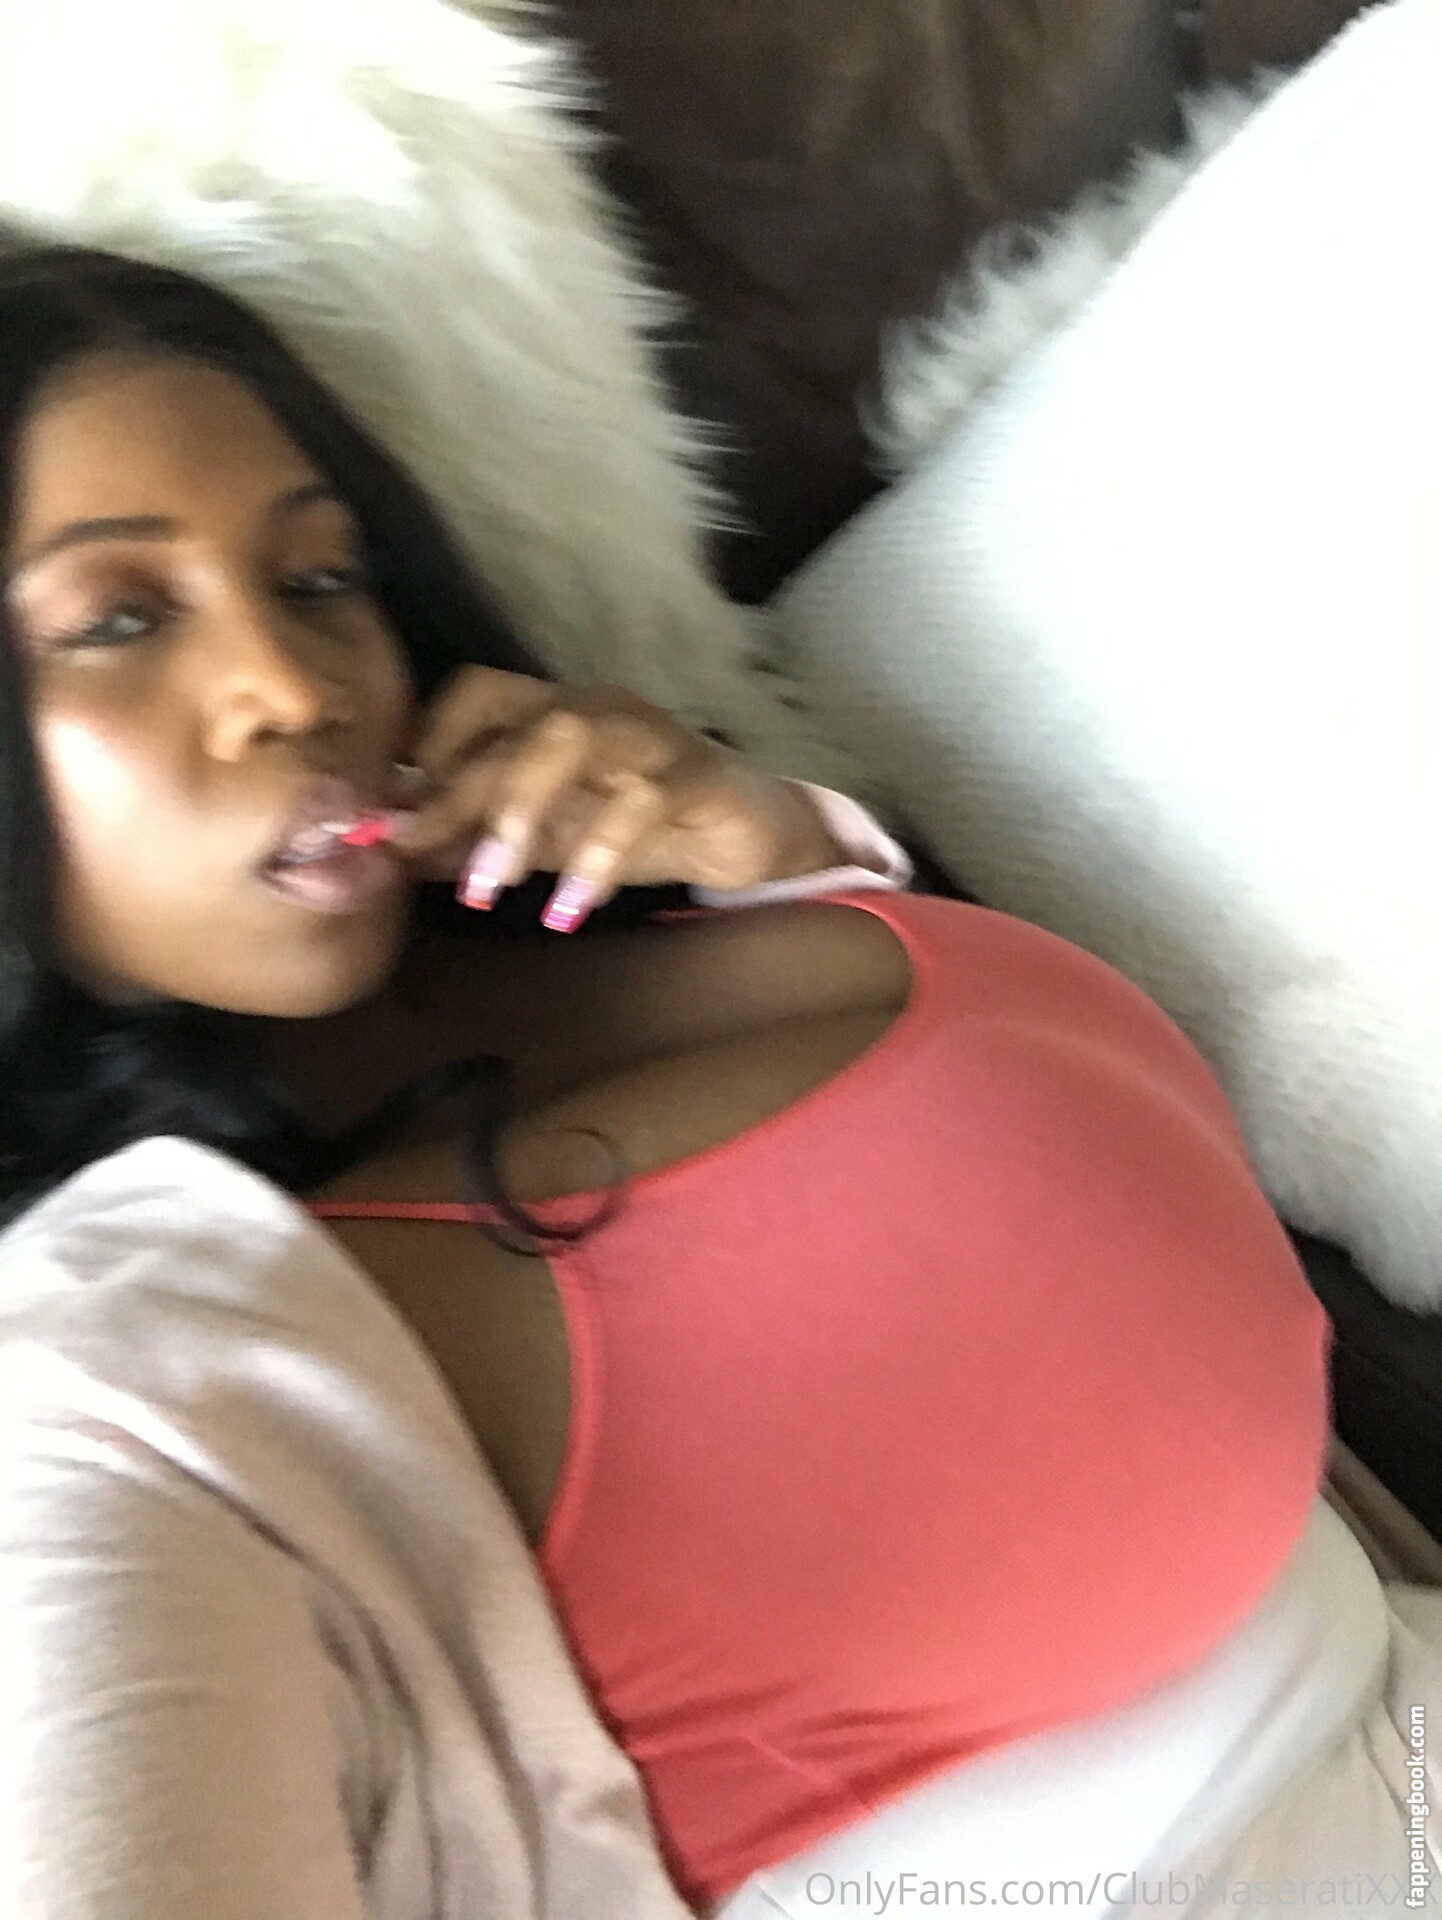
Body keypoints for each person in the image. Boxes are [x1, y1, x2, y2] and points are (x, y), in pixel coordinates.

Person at [0, 245, 1436, 1920]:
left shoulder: (644, 889)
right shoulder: (101, 1410)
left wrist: (765, 847)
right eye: (116, 620)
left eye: (319, 577)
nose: (296, 687)